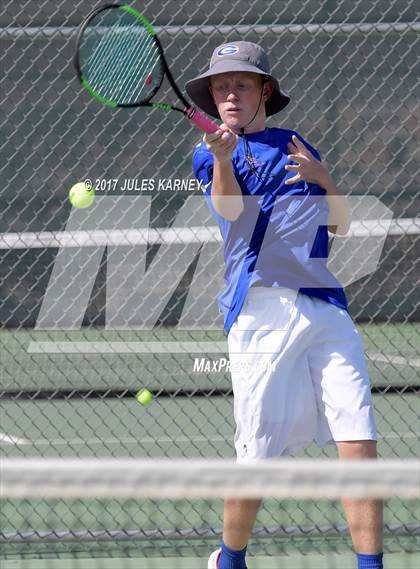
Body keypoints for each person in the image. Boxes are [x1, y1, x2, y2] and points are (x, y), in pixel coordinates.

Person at [185, 41, 383, 569]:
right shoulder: (209, 153)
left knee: (359, 444)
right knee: (256, 459)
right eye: (219, 87)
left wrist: (326, 180)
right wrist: (224, 159)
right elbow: (229, 212)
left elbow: (338, 224)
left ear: (264, 91)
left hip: (327, 310)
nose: (228, 94)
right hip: (260, 311)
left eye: (241, 84)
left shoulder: (298, 143)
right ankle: (230, 558)